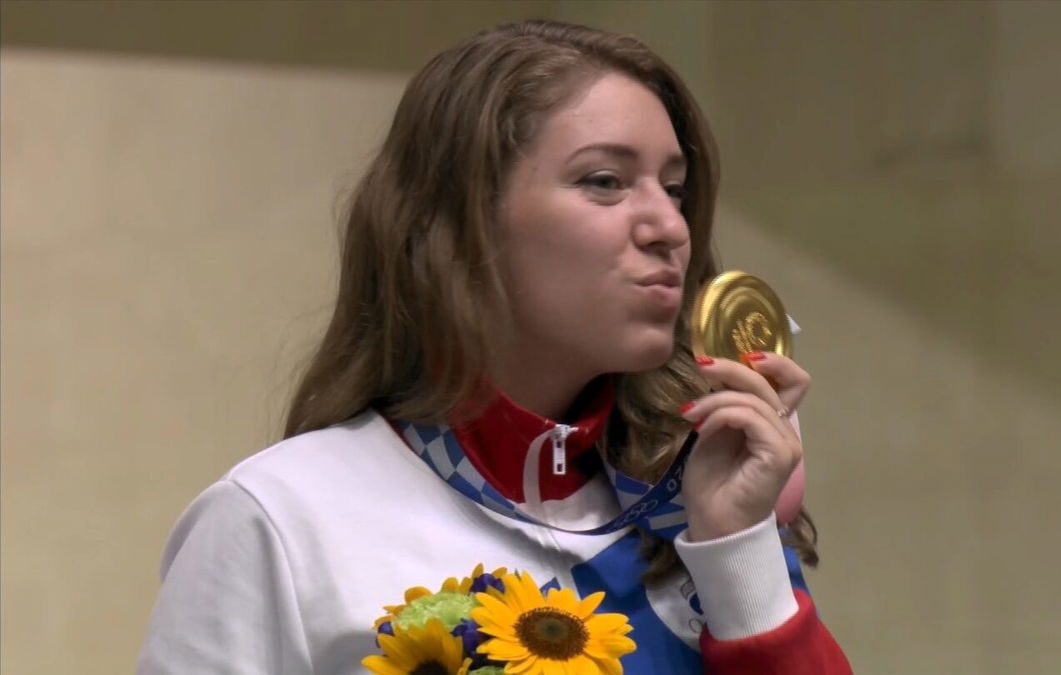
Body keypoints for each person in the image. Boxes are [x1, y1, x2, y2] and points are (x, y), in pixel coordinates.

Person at [137, 18, 851, 675]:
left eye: (674, 188)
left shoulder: (694, 494)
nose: (669, 225)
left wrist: (737, 546)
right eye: (605, 181)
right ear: (459, 218)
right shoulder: (279, 520)